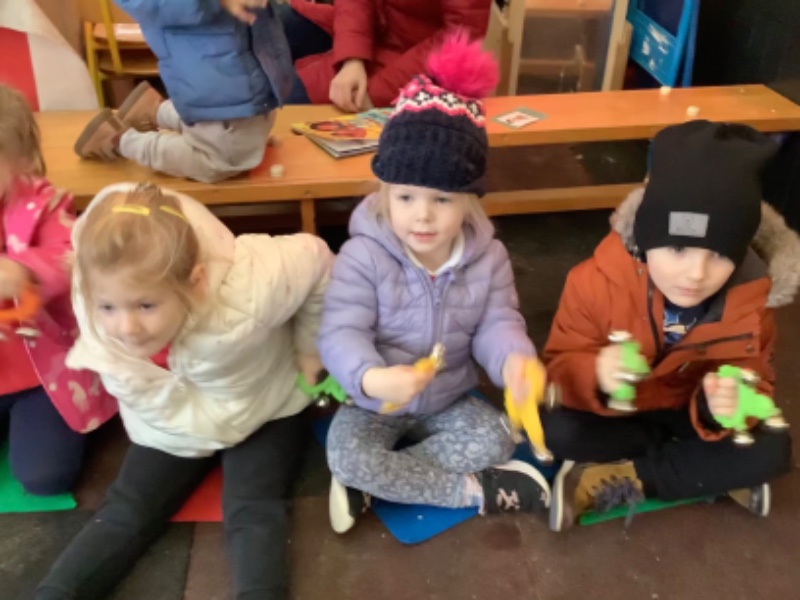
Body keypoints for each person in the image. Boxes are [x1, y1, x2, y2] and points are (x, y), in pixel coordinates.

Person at [35, 181, 333, 599]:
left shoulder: (250, 286)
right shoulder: (96, 292)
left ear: (196, 282)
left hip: (263, 404)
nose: (127, 327)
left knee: (253, 506)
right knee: (127, 508)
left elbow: (317, 257)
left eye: (146, 305)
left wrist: (309, 347)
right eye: (109, 308)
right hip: (171, 419)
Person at [317, 33, 550, 534]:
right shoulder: (362, 254)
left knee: (498, 438)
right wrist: (371, 378)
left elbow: (499, 323)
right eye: (406, 198)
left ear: (469, 200)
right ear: (385, 194)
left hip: (448, 397)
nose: (422, 216)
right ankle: (473, 491)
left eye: (442, 200)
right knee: (347, 453)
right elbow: (340, 331)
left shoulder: (489, 257)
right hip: (374, 403)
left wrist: (515, 362)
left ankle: (373, 482)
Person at [542, 120, 799, 531]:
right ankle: (703, 471)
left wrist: (722, 409)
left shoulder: (753, 299)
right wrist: (597, 373)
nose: (696, 274)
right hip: (622, 414)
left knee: (773, 447)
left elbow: (757, 382)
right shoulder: (592, 281)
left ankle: (626, 475)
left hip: (689, 415)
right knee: (555, 426)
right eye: (679, 248)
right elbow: (557, 366)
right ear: (647, 238)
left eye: (720, 255)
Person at [0, 84, 115, 496]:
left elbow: (73, 255)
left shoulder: (45, 205)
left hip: (42, 376)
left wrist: (23, 270)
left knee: (45, 477)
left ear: (21, 160)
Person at [73, 0, 293, 183]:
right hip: (217, 72)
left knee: (245, 126)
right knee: (219, 161)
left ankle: (154, 111)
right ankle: (116, 140)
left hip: (246, 65)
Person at [274, 0, 492, 111]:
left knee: (281, 97)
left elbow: (459, 36)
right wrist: (352, 59)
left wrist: (376, 93)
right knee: (269, 23)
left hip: (413, 60)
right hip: (373, 27)